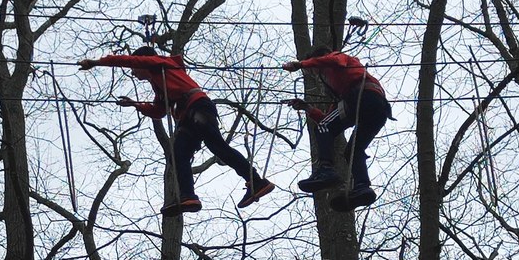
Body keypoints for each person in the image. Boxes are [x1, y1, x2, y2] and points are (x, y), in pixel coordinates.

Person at [78, 46, 275, 215]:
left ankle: (256, 181)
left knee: (217, 146)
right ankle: (188, 196)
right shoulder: (160, 84)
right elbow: (159, 111)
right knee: (177, 154)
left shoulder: (161, 64)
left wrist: (95, 62)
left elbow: (127, 59)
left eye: (133, 68)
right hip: (187, 116)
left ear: (142, 62)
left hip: (198, 106)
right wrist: (136, 105)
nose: (132, 72)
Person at [282, 45, 391, 210]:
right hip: (376, 107)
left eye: (318, 71)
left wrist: (301, 64)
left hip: (363, 97)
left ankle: (326, 168)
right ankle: (362, 187)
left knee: (324, 128)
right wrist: (308, 108)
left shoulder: (338, 57)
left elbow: (334, 60)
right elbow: (328, 121)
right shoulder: (343, 91)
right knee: (353, 151)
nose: (319, 76)